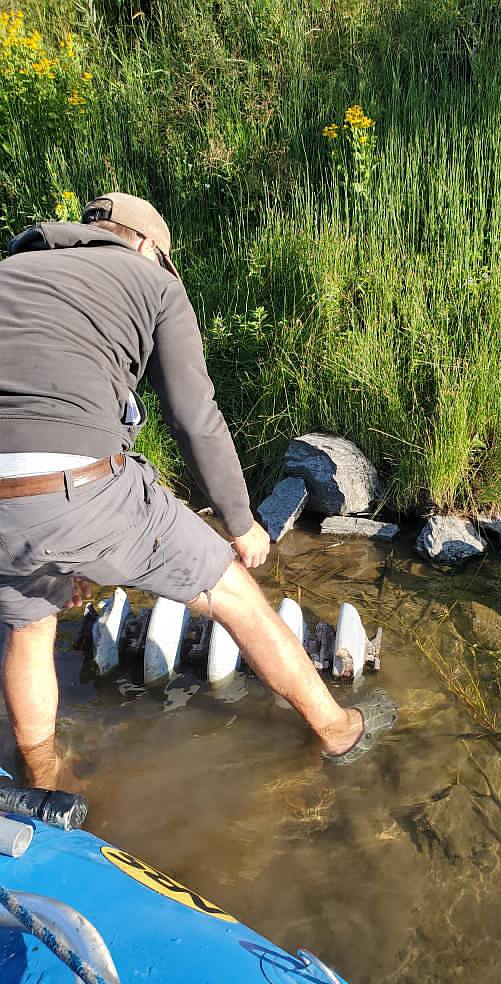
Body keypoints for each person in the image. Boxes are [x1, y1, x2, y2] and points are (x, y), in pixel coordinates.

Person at [0, 192, 396, 785]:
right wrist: (241, 524)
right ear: (145, 245)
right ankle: (339, 732)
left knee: (29, 628)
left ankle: (47, 780)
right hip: (81, 480)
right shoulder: (154, 284)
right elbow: (194, 418)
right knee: (235, 595)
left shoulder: (8, 272)